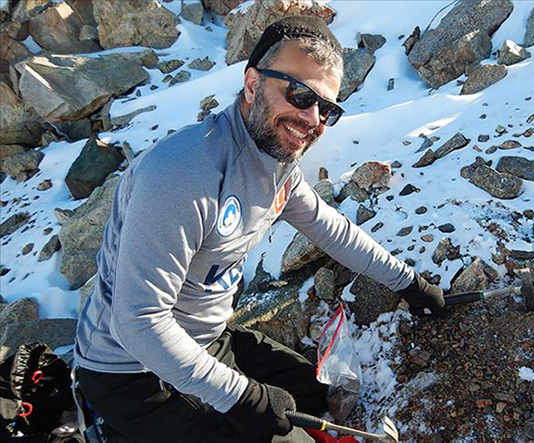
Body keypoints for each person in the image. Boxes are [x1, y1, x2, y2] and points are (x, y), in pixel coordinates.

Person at [73, 16, 445, 442]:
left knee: (314, 391)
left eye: (327, 108)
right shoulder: (182, 175)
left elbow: (332, 230)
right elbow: (139, 321)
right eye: (299, 94)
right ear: (252, 84)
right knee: (284, 434)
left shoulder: (275, 164)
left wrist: (410, 283)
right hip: (133, 371)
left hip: (207, 336)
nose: (312, 118)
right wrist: (241, 396)